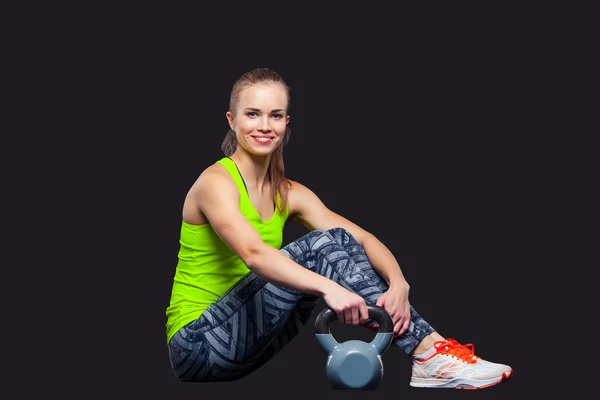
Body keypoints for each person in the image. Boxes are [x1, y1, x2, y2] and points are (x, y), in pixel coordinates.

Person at [165, 67, 513, 389]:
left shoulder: (289, 193)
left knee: (339, 240)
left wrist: (399, 283)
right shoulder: (215, 182)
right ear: (232, 119)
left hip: (249, 349)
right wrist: (330, 287)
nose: (264, 126)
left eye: (275, 115)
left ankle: (430, 350)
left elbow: (362, 238)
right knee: (319, 247)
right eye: (252, 114)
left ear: (287, 121)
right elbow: (254, 254)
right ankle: (427, 352)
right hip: (197, 344)